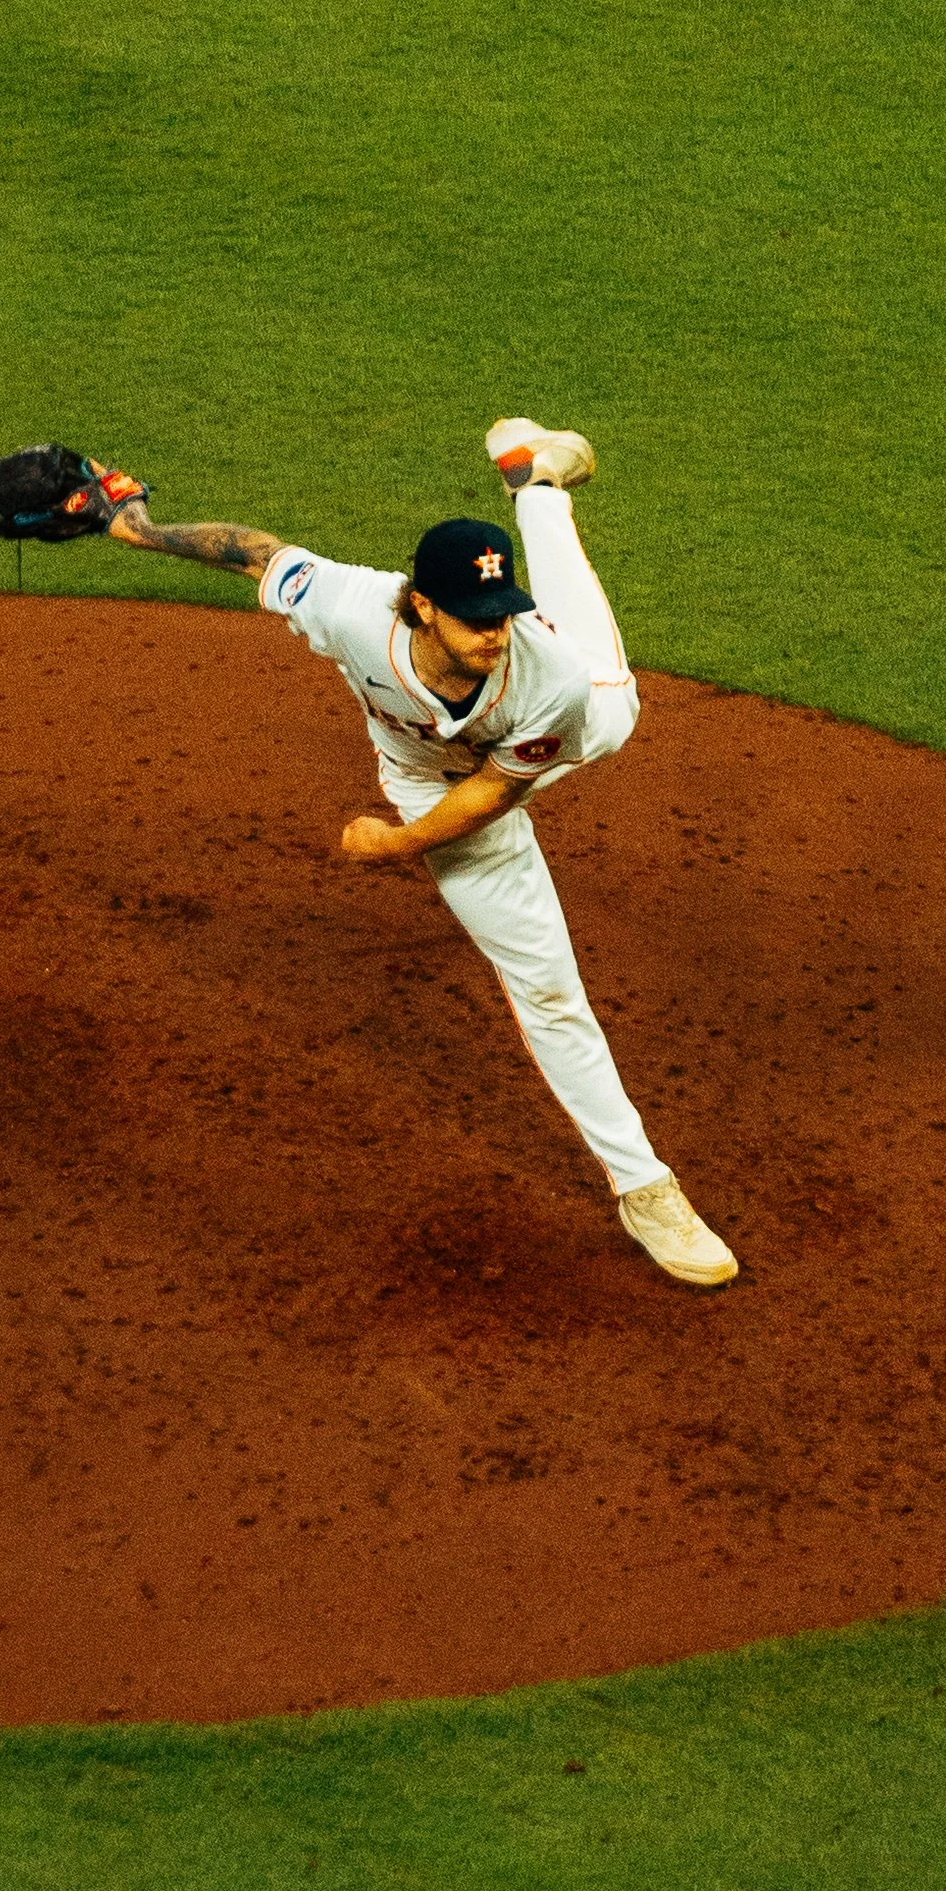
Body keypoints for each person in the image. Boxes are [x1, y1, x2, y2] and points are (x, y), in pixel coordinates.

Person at [107, 420, 737, 1286]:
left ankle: (537, 488)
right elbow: (256, 554)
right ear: (422, 605)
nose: (493, 631)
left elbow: (492, 796)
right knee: (547, 987)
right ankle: (647, 1187)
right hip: (430, 781)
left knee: (612, 698)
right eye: (475, 618)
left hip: (535, 751)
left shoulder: (544, 672)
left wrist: (395, 844)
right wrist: (135, 527)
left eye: (501, 613)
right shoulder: (349, 607)